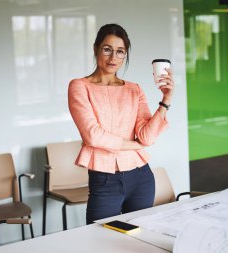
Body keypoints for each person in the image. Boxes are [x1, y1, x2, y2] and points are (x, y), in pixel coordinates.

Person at [68, 23, 175, 224]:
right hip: (105, 179)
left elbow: (146, 137)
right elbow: (93, 135)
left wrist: (166, 99)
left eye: (120, 52)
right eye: (107, 49)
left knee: (139, 237)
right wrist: (134, 145)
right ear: (95, 49)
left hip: (141, 176)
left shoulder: (134, 89)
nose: (113, 58)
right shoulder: (79, 86)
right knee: (100, 239)